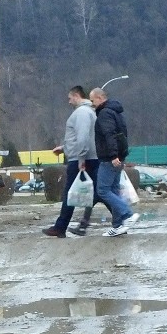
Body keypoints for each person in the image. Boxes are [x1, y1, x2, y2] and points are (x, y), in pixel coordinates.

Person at [42, 86, 101, 238]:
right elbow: (80, 138)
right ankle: (120, 218)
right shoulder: (89, 112)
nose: (69, 102)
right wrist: (64, 148)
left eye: (69, 98)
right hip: (87, 157)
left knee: (70, 193)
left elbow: (82, 137)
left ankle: (60, 227)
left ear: (76, 96)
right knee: (99, 192)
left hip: (81, 159)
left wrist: (80, 158)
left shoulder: (81, 113)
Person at [90, 87, 139, 237]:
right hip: (119, 156)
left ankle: (127, 214)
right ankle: (118, 225)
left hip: (109, 158)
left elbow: (109, 134)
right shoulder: (116, 112)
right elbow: (121, 135)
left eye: (92, 101)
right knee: (114, 190)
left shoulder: (105, 114)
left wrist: (112, 156)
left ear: (100, 98)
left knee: (103, 190)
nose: (92, 105)